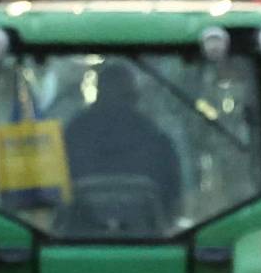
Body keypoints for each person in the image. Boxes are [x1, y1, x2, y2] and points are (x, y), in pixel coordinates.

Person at [62, 60, 179, 207]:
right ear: (134, 96)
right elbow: (173, 198)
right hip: (146, 227)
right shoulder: (155, 136)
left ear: (98, 94)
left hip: (77, 228)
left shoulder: (73, 133)